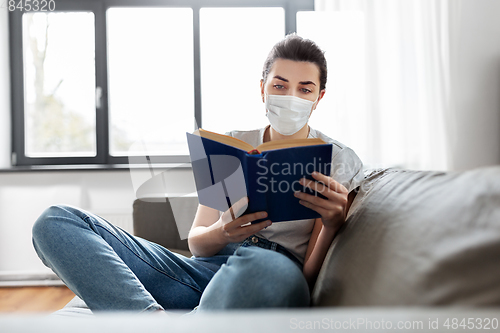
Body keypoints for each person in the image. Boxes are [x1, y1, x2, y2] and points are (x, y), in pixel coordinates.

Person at [32, 34, 363, 314]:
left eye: (305, 89)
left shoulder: (337, 159)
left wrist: (333, 223)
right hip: (202, 273)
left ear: (319, 98)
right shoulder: (232, 145)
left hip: (272, 274)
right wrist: (222, 231)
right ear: (263, 89)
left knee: (265, 267)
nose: (291, 97)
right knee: (56, 221)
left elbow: (307, 279)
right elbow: (198, 243)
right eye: (280, 85)